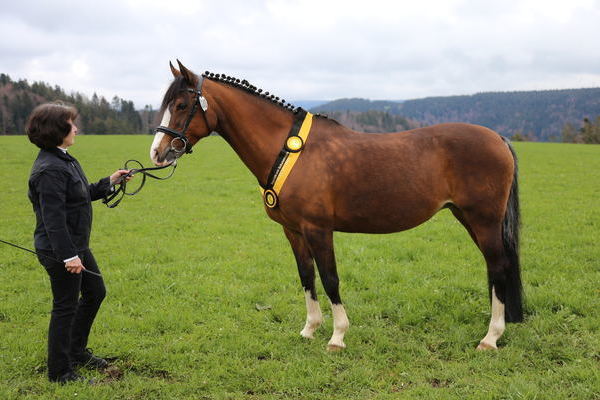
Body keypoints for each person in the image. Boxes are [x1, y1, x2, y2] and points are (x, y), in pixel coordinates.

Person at [26, 102, 131, 384]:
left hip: (76, 246)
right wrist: (68, 256)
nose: (76, 128)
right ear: (57, 129)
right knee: (65, 306)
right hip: (62, 251)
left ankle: (76, 351)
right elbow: (53, 220)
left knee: (95, 292)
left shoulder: (63, 159)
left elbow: (81, 194)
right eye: (72, 123)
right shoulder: (49, 170)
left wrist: (110, 181)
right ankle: (60, 371)